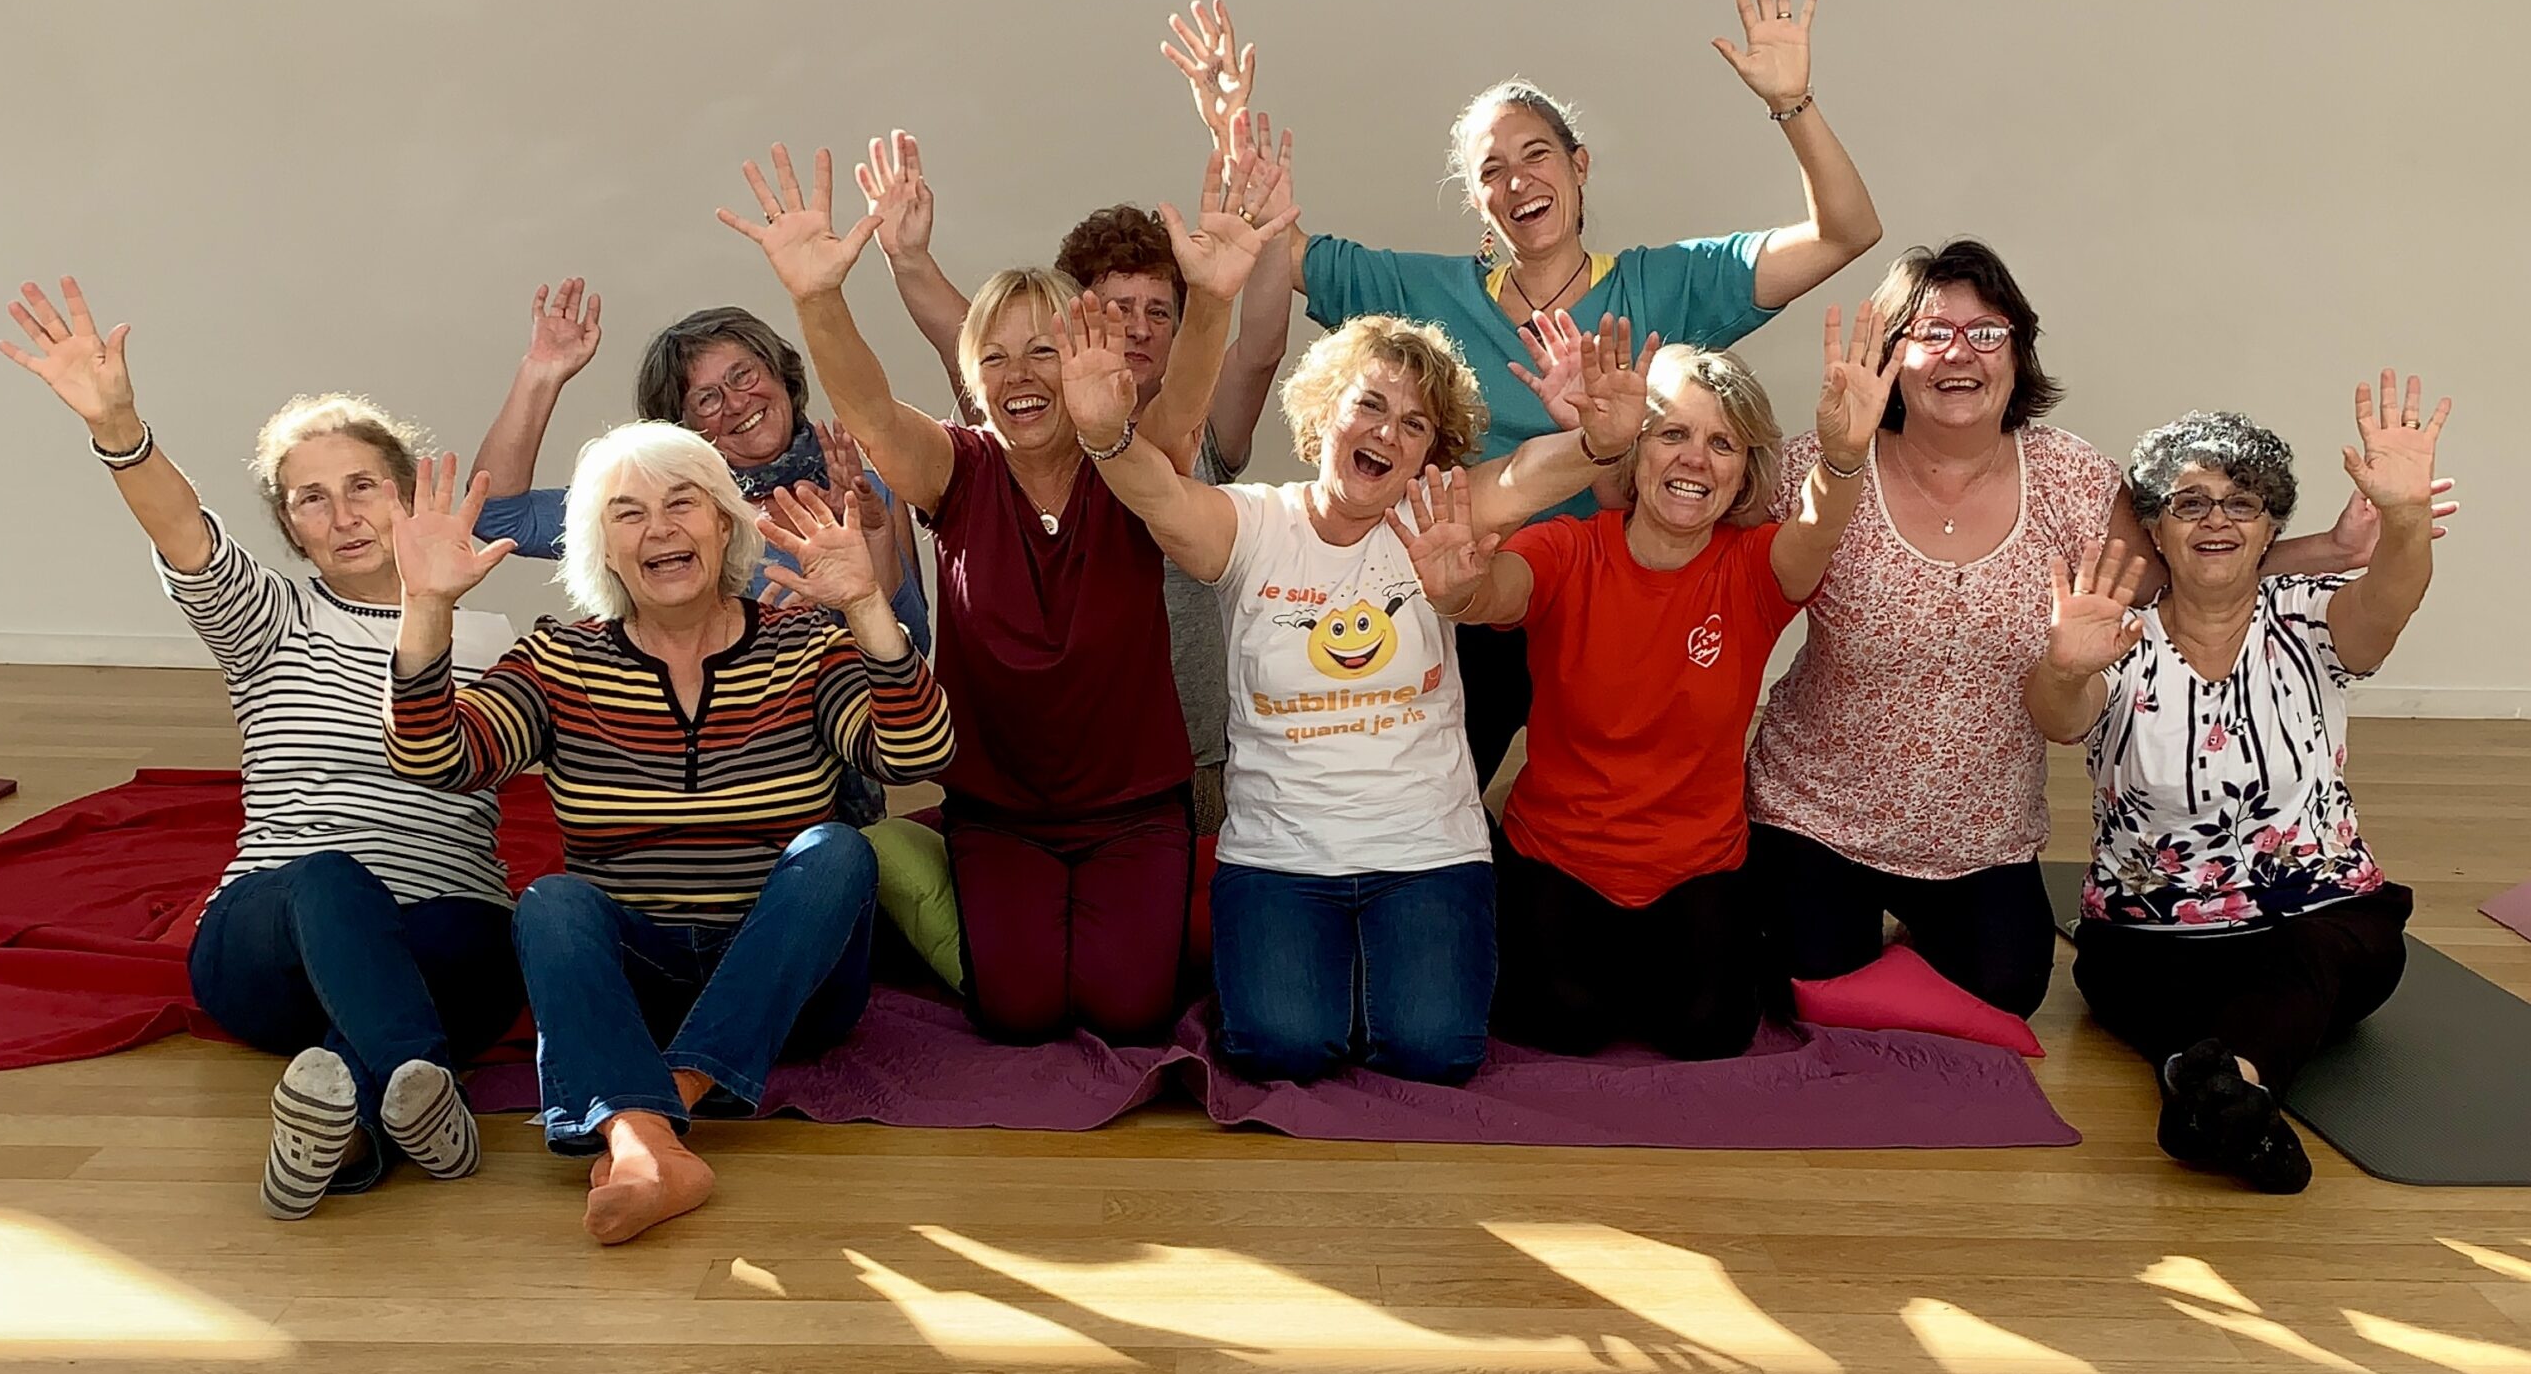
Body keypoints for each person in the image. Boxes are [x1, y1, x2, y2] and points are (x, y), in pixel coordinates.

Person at [1745, 241, 2456, 1019]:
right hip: (1815, 811)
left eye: (1987, 332)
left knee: (2006, 994)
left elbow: (2174, 571)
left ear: (2018, 354)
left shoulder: (2070, 475)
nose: (1960, 353)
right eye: (1930, 331)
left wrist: (2331, 548)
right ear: (1891, 355)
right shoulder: (1821, 461)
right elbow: (1718, 550)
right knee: (1800, 984)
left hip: (1980, 832)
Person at [1237, 0, 1885, 784]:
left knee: (1619, 812)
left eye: (1536, 154)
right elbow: (1268, 236)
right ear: (1479, 205)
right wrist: (1232, 140)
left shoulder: (1667, 284)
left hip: (1616, 609)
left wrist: (1790, 103)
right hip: (1473, 607)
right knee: (1423, 796)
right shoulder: (1423, 292)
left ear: (1580, 167)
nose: (1516, 180)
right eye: (1490, 172)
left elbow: (1846, 231)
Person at [719, 138, 1289, 1044]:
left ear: (1088, 362)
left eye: (1045, 352)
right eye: (997, 357)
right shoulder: (957, 468)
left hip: (1134, 808)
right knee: (1016, 1014)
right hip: (1000, 811)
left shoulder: (1132, 464)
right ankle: (926, 858)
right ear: (974, 379)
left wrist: (1214, 296)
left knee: (1127, 1012)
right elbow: (868, 410)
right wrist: (815, 295)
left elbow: (1183, 402)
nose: (1021, 374)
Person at [0, 276, 521, 1221]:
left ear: (408, 496)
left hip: (446, 934)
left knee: (483, 935)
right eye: (311, 499)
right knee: (331, 880)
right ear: (289, 529)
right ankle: (418, 1073)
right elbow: (183, 532)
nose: (344, 512)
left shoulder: (486, 639)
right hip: (267, 945)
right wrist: (119, 426)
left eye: (364, 486)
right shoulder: (270, 622)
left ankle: (347, 1122)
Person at [383, 424, 954, 1244]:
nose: (659, 528)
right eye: (628, 514)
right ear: (601, 550)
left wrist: (866, 606)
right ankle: (651, 1144)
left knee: (838, 852)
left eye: (683, 503)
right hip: (641, 981)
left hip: (792, 984)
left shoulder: (803, 642)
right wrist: (428, 609)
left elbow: (921, 754)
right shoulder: (559, 660)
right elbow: (437, 758)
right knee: (552, 902)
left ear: (726, 526)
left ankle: (650, 1115)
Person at [1061, 295, 1650, 1084]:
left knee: (1435, 1052)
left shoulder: (1433, 517)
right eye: (1369, 404)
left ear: (1428, 455)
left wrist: (1602, 441)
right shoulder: (1256, 524)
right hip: (1278, 859)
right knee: (1282, 1049)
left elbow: (1527, 474)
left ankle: (1375, 975)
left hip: (1428, 855)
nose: (1387, 431)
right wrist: (1104, 435)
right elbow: (1161, 496)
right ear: (1323, 413)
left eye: (1413, 424)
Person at [1414, 307, 1895, 1058]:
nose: (1695, 460)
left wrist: (1840, 459)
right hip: (1559, 850)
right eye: (1673, 434)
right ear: (1635, 454)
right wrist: (1457, 593)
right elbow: (1496, 590)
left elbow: (1816, 531)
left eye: (1722, 443)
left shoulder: (1755, 568)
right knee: (1562, 1021)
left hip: (1696, 862)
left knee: (1707, 1032)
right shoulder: (1570, 551)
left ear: (1743, 472)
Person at [856, 13, 1297, 828]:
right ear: (1068, 319)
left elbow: (1258, 337)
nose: (1135, 327)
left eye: (1159, 312)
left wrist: (1235, 150)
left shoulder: (1192, 429)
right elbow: (964, 332)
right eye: (1115, 307)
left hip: (1188, 754)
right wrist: (907, 257)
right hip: (1024, 777)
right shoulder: (1018, 414)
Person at [2027, 380, 2446, 1191]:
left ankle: (2214, 1082)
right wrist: (2062, 664)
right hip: (2152, 942)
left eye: (2241, 503)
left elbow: (2389, 602)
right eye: (2190, 504)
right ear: (2156, 528)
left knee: (2315, 952)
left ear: (2269, 530)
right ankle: (2232, 1093)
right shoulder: (2118, 636)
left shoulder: (2310, 618)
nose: (2216, 519)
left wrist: (2403, 519)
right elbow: (2060, 715)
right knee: (2226, 987)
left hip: (2323, 920)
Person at [469, 288, 931, 827]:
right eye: (707, 398)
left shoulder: (871, 489)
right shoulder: (663, 518)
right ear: (684, 428)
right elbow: (497, 515)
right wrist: (540, 374)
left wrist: (867, 543)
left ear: (783, 375)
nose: (736, 403)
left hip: (822, 806)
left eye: (744, 375)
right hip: (677, 798)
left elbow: (913, 650)